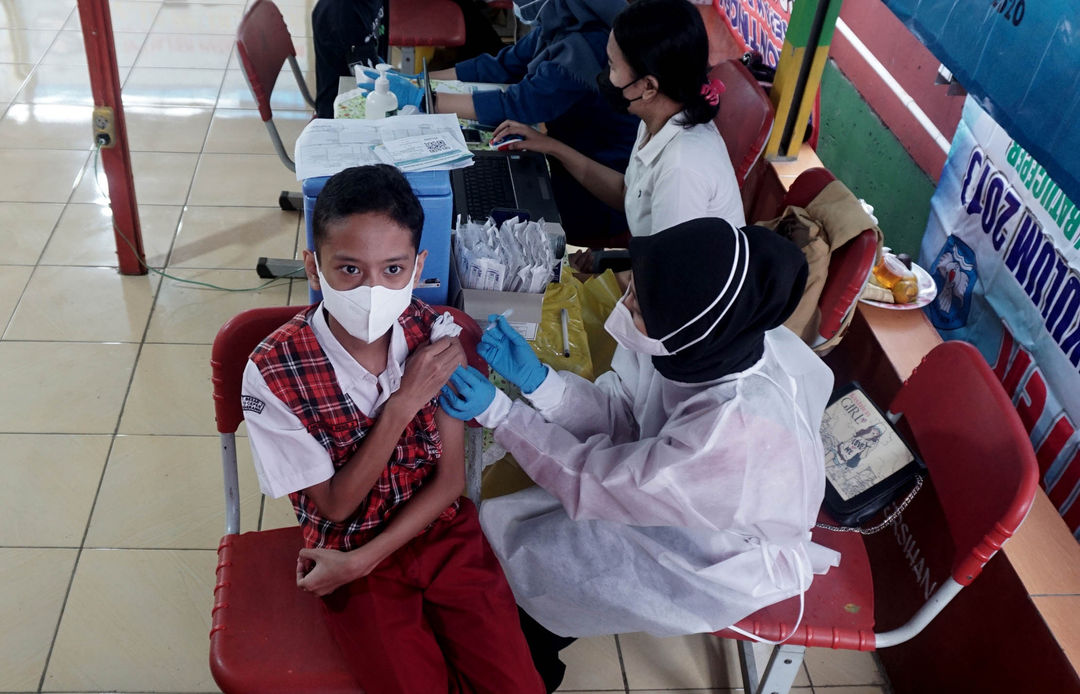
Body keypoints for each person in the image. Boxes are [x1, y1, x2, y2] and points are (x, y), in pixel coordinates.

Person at [440, 218, 839, 690]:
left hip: (711, 553)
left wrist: (502, 414)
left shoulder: (728, 437)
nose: (624, 308)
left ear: (685, 331)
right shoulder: (708, 343)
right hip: (671, 490)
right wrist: (543, 385)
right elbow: (627, 413)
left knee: (555, 568)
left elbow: (594, 482)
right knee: (527, 534)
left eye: (638, 307)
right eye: (632, 291)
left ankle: (530, 663)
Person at [240, 165, 545, 694]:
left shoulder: (435, 335)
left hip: (437, 533)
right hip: (347, 548)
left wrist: (362, 561)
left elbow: (450, 483)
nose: (374, 289)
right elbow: (335, 506)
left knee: (517, 685)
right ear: (313, 268)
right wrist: (403, 403)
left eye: (394, 268)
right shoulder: (273, 372)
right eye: (350, 270)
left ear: (419, 266)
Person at [491, 0, 746, 253]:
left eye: (612, 66)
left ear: (648, 86)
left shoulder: (681, 169)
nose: (605, 75)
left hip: (669, 287)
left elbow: (668, 281)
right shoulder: (660, 117)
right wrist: (550, 146)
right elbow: (628, 192)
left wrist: (612, 268)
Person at [428, 0, 640, 243]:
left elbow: (520, 104)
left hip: (595, 189)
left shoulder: (588, 45)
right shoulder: (561, 22)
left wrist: (430, 101)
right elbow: (502, 65)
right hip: (565, 158)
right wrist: (420, 80)